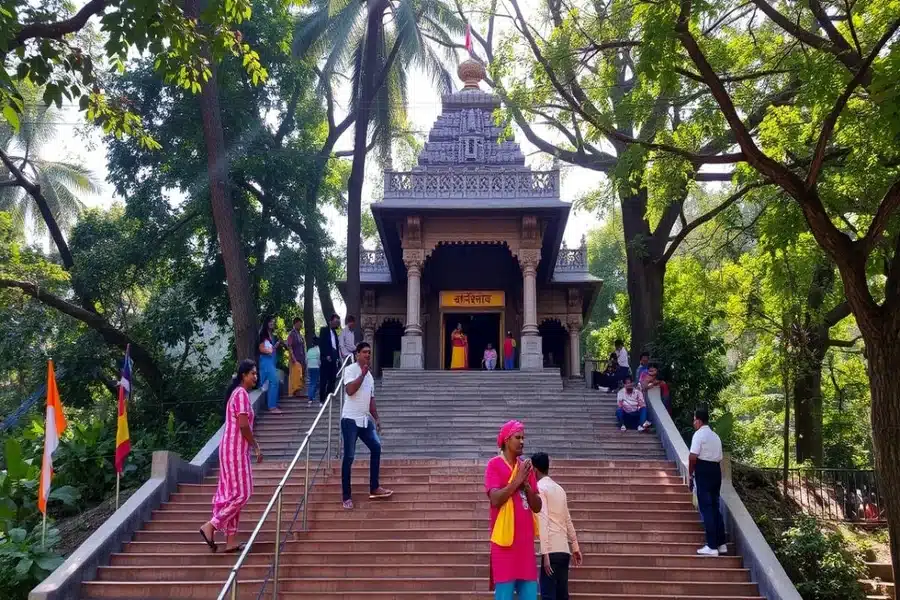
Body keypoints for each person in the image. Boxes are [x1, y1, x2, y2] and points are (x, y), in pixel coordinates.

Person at [199, 359, 263, 553]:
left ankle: (230, 541)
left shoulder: (237, 394)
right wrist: (256, 446)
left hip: (232, 450)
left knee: (233, 496)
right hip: (235, 451)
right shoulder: (241, 394)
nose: (255, 377)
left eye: (256, 374)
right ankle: (212, 525)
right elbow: (243, 425)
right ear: (244, 375)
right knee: (244, 493)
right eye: (252, 373)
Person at [485, 421, 542, 600]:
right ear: (506, 440)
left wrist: (527, 486)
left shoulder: (526, 467)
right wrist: (517, 481)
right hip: (504, 545)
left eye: (523, 438)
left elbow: (537, 506)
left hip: (525, 544)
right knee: (504, 595)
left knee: (530, 595)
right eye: (518, 437)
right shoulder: (494, 465)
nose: (522, 441)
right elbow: (495, 499)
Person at [341, 341, 393, 509]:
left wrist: (376, 418)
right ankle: (346, 496)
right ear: (357, 354)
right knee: (349, 457)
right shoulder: (350, 370)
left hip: (364, 420)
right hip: (350, 420)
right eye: (364, 352)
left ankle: (374, 487)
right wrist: (362, 374)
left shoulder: (370, 377)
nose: (368, 355)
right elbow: (350, 391)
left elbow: (371, 400)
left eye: (369, 352)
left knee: (376, 447)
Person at [532, 452, 582, 600]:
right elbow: (567, 519)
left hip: (551, 551)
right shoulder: (560, 489)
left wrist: (545, 553)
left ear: (535, 470)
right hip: (564, 550)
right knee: (562, 595)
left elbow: (543, 519)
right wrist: (575, 546)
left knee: (548, 595)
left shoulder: (540, 488)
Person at [689, 407, 727, 557]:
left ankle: (711, 546)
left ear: (698, 421)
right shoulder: (715, 436)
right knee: (715, 506)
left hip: (703, 470)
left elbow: (693, 456)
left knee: (706, 508)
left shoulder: (699, 435)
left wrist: (691, 474)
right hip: (716, 471)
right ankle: (721, 543)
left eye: (694, 420)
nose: (693, 423)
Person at [257, 315, 282, 414]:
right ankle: (272, 407)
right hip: (265, 361)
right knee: (274, 381)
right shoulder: (262, 334)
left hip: (271, 361)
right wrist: (269, 350)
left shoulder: (271, 334)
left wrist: (275, 347)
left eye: (273, 322)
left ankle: (273, 404)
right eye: (270, 321)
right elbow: (261, 348)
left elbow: (271, 349)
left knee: (274, 381)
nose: (272, 323)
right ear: (266, 322)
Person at [318, 313, 342, 405]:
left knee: (332, 379)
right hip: (326, 358)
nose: (337, 323)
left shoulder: (335, 333)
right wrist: (325, 355)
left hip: (334, 356)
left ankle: (329, 397)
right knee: (324, 380)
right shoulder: (324, 330)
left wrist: (338, 358)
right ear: (330, 321)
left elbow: (336, 345)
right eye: (335, 321)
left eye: (338, 322)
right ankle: (322, 400)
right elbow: (321, 343)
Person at [286, 317, 307, 398]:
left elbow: (303, 348)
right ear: (295, 324)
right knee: (296, 376)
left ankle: (300, 392)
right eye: (299, 324)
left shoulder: (300, 335)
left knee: (301, 376)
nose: (301, 326)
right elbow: (289, 346)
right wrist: (293, 358)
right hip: (295, 359)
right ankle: (295, 393)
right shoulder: (291, 334)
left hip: (302, 359)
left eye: (301, 324)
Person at [306, 337, 321, 407]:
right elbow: (319, 360)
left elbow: (306, 360)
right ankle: (310, 398)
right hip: (316, 367)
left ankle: (313, 396)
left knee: (313, 382)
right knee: (313, 383)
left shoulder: (309, 350)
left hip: (310, 367)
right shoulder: (318, 350)